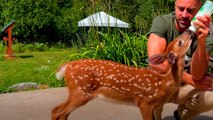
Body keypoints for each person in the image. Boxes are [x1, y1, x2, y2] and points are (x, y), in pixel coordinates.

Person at [147, 0, 213, 120]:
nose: (184, 15)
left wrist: (202, 43)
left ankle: (182, 115)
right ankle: (155, 114)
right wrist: (193, 82)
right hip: (162, 83)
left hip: (183, 88)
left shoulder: (206, 30)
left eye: (190, 10)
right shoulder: (162, 22)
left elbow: (197, 75)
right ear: (175, 5)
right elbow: (155, 63)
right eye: (180, 8)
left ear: (200, 11)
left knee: (210, 97)